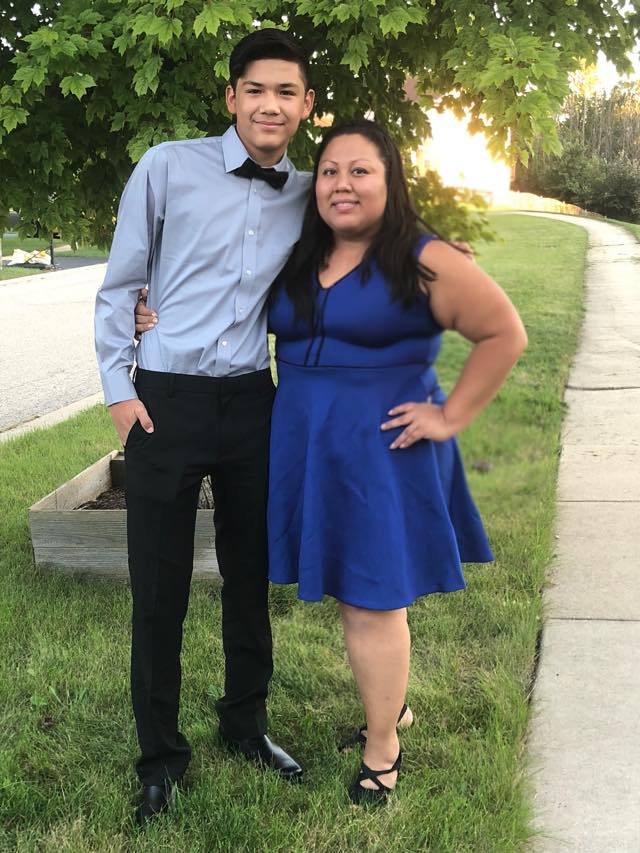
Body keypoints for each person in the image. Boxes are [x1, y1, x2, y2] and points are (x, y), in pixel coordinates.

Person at [136, 119, 528, 805]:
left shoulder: (424, 257)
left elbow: (504, 331)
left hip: (382, 448)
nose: (342, 183)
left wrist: (451, 414)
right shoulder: (302, 252)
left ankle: (383, 747)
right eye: (330, 171)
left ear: (390, 180)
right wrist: (152, 309)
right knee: (352, 591)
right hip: (309, 443)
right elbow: (226, 290)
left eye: (360, 170)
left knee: (371, 600)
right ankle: (391, 706)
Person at [94, 29, 316, 825]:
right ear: (231, 97)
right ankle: (159, 756)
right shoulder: (166, 165)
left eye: (286, 91)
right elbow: (121, 283)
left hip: (254, 402)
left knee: (248, 577)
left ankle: (245, 723)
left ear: (305, 105)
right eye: (255, 89)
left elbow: (364, 246)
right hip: (165, 401)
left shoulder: (308, 192)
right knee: (160, 588)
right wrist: (121, 390)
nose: (269, 104)